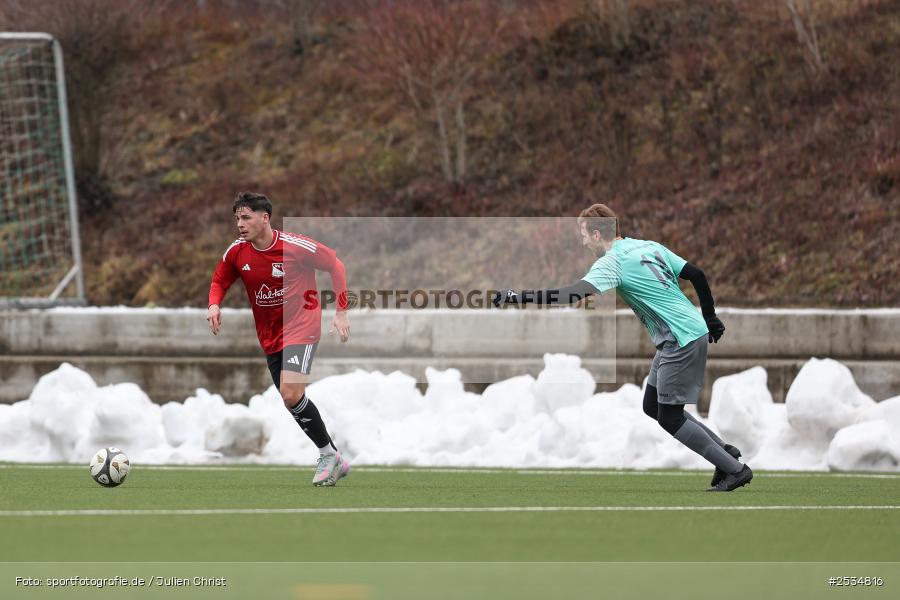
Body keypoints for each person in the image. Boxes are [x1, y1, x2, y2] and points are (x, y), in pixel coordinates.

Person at [492, 203, 752, 492]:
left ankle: (735, 470)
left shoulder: (611, 262)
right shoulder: (648, 246)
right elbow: (697, 274)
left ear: (595, 234)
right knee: (652, 405)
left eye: (583, 235)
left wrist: (518, 296)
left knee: (670, 417)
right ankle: (724, 453)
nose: (582, 242)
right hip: (686, 332)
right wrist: (710, 316)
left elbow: (569, 295)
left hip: (680, 338)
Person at [207, 192, 351, 486]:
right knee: (291, 400)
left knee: (290, 393)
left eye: (246, 217)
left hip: (302, 325)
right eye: (237, 218)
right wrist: (213, 304)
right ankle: (332, 455)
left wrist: (341, 311)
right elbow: (220, 279)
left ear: (265, 218)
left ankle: (327, 455)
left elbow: (336, 265)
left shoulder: (294, 247)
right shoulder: (237, 252)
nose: (240, 224)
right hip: (270, 335)